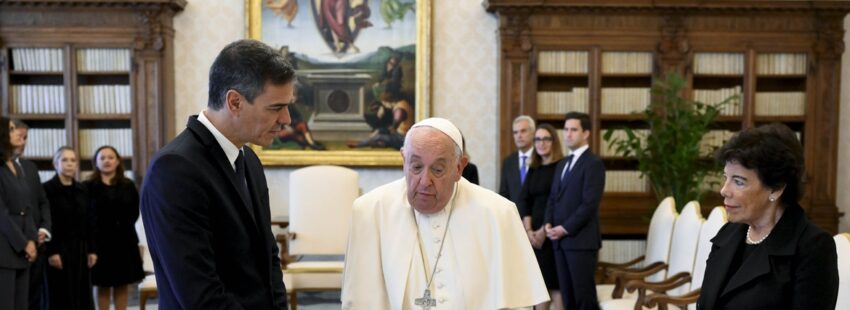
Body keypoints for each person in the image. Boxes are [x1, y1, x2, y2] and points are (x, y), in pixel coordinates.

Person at [140, 39, 291, 309]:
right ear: (234, 102)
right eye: (275, 107)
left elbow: (269, 261)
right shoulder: (175, 169)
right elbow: (200, 294)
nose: (286, 119)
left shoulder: (249, 159)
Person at [341, 117, 549, 309]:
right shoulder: (370, 211)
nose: (424, 181)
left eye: (438, 170)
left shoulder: (498, 213)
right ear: (403, 160)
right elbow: (359, 300)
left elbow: (517, 303)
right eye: (416, 167)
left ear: (459, 167)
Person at [697, 123, 838, 309]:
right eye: (726, 178)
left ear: (776, 188)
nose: (724, 190)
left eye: (738, 182)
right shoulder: (728, 233)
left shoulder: (812, 247)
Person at [543, 111, 605, 310]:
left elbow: (589, 204)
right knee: (568, 299)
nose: (568, 134)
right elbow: (553, 198)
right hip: (559, 242)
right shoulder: (563, 163)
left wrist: (564, 228)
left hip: (580, 242)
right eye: (566, 129)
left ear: (586, 133)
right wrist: (548, 223)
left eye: (574, 130)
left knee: (584, 299)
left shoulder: (593, 163)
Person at [85, 145, 143, 310]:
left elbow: (134, 211)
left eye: (111, 157)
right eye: (102, 158)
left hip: (123, 240)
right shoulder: (88, 186)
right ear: (96, 162)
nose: (107, 161)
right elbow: (87, 215)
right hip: (98, 241)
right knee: (101, 284)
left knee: (121, 283)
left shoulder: (128, 185)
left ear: (118, 161)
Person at [42, 147, 96, 310]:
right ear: (55, 163)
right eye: (64, 160)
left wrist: (92, 250)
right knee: (59, 294)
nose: (69, 164)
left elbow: (90, 221)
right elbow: (46, 221)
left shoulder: (83, 190)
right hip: (58, 249)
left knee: (81, 295)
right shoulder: (46, 189)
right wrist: (52, 251)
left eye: (73, 160)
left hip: (80, 249)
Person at [518, 123, 565, 310]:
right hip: (534, 237)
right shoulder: (534, 168)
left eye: (546, 139)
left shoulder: (562, 166)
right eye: (537, 139)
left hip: (553, 233)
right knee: (539, 287)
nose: (541, 143)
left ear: (554, 141)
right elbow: (525, 201)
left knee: (555, 286)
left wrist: (543, 231)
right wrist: (529, 231)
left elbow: (560, 202)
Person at [11, 119, 52, 310]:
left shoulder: (30, 167)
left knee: (35, 299)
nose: (22, 141)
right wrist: (23, 239)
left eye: (25, 137)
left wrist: (44, 228)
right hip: (12, 247)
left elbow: (42, 202)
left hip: (37, 245)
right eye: (18, 136)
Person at [0, 117, 38, 310]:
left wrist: (32, 240)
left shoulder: (16, 166)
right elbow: (1, 214)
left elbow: (28, 207)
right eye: (12, 129)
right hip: (5, 250)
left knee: (21, 305)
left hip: (24, 251)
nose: (17, 133)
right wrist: (23, 243)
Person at [500, 115, 535, 206]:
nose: (519, 136)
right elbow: (503, 194)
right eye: (515, 132)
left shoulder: (541, 158)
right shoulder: (508, 162)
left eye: (523, 131)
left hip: (536, 216)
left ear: (533, 133)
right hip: (514, 216)